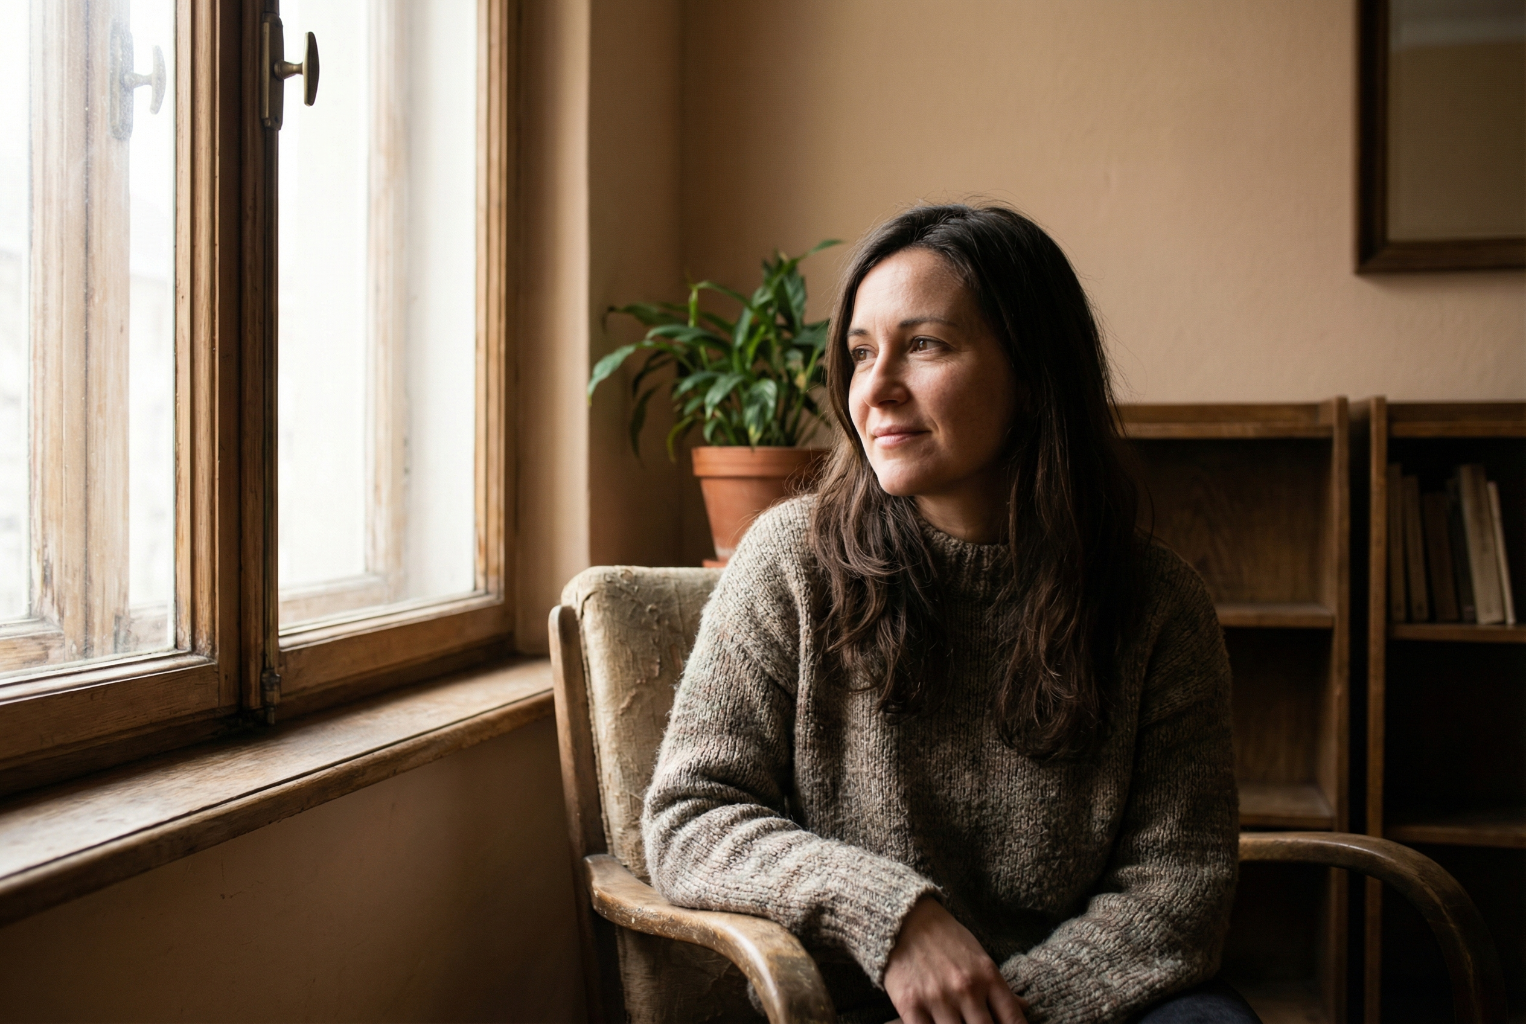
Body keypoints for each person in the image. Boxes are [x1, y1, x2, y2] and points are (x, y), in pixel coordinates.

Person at [641, 204, 1256, 1024]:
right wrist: (893, 917)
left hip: (1088, 1001)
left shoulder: (1157, 605)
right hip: (852, 999)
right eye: (861, 354)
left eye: (924, 345)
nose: (878, 389)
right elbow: (691, 816)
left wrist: (1002, 1012)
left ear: (1034, 377)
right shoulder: (791, 559)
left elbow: (1179, 887)